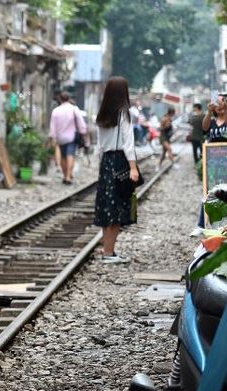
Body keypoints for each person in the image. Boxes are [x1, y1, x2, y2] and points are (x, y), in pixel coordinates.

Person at [94, 76, 139, 264]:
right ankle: (108, 253)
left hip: (106, 162)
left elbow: (99, 144)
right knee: (118, 208)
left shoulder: (103, 113)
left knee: (107, 207)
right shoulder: (123, 113)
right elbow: (128, 142)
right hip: (120, 161)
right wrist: (133, 167)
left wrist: (101, 165)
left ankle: (108, 251)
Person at [49, 91, 87, 185]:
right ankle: (68, 176)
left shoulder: (56, 111)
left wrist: (52, 137)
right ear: (69, 99)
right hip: (71, 137)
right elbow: (80, 122)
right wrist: (83, 132)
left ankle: (65, 174)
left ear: (60, 99)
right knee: (70, 155)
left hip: (60, 138)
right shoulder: (74, 109)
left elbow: (52, 126)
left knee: (63, 157)